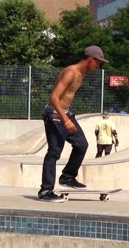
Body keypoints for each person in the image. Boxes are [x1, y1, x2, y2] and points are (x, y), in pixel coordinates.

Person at [38, 45, 108, 200]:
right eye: (97, 63)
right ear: (91, 59)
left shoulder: (81, 74)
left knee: (81, 144)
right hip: (54, 115)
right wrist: (65, 119)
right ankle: (45, 191)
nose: (97, 67)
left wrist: (67, 116)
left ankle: (67, 177)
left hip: (65, 113)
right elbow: (54, 97)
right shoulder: (71, 72)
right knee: (54, 152)